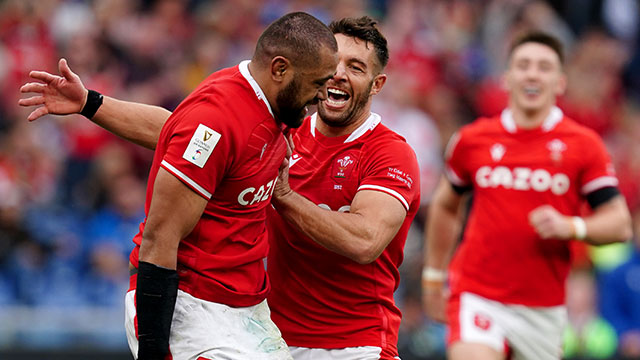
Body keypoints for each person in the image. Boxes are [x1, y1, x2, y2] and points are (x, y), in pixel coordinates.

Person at [20, 15, 420, 360]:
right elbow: (188, 139)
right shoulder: (262, 116)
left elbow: (365, 241)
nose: (334, 79)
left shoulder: (381, 151)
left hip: (342, 341)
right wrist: (91, 103)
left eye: (355, 67)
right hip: (226, 316)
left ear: (377, 83)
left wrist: (283, 196)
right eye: (332, 66)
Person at [422, 31, 632, 360]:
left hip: (543, 308)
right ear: (506, 78)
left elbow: (620, 224)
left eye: (544, 67)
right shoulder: (472, 140)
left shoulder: (584, 145)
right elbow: (446, 206)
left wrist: (572, 227)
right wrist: (434, 276)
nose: (533, 74)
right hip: (477, 294)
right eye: (523, 65)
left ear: (560, 82)